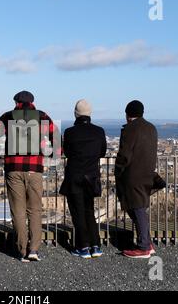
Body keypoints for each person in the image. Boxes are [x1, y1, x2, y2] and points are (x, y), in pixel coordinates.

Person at [0, 91, 59, 263]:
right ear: (33, 102)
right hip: (35, 169)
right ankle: (34, 249)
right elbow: (55, 136)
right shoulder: (42, 116)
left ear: (15, 102)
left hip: (13, 169)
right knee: (35, 210)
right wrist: (54, 155)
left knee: (17, 210)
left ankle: (21, 250)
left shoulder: (8, 116)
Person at [59, 100, 107, 259]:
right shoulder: (99, 131)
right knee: (89, 211)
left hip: (75, 176)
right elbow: (102, 152)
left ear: (75, 113)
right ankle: (96, 245)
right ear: (90, 113)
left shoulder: (70, 132)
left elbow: (66, 152)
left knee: (77, 212)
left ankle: (83, 247)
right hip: (91, 177)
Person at [115, 100, 158, 259]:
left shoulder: (130, 129)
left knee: (137, 209)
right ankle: (146, 242)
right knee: (139, 208)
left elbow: (124, 155)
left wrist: (117, 170)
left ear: (127, 114)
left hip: (133, 175)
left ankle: (143, 247)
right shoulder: (151, 128)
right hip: (147, 173)